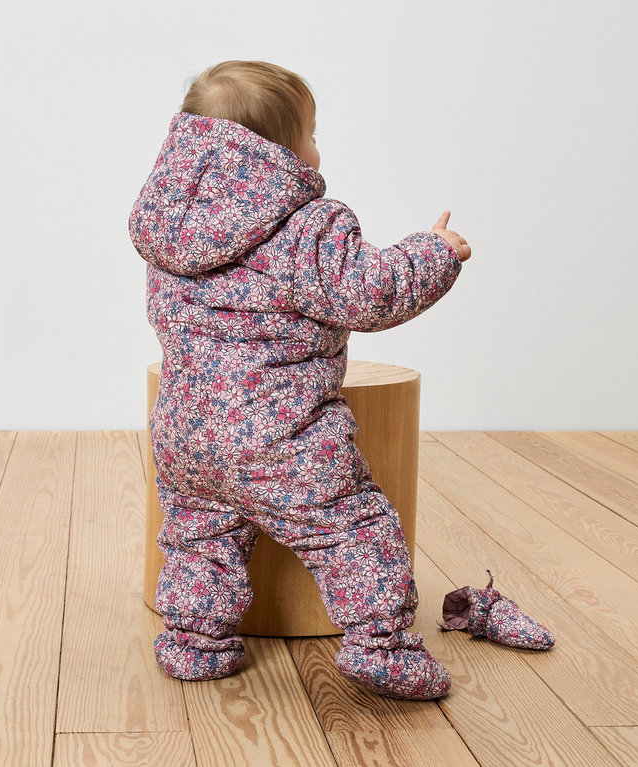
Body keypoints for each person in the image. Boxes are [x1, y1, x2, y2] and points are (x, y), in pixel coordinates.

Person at [129, 60, 471, 700]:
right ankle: (382, 649)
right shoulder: (306, 225)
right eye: (311, 133)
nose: (318, 148)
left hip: (186, 430)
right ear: (278, 149)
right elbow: (370, 293)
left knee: (198, 532)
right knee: (352, 527)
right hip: (282, 437)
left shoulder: (169, 230)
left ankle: (195, 642)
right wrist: (433, 252)